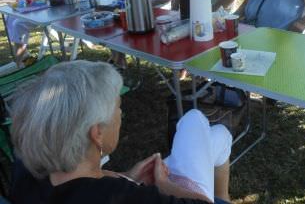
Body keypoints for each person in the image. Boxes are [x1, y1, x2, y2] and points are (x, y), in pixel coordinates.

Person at [10, 60, 232, 204]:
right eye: (118, 108)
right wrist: (164, 185)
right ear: (97, 133)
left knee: (216, 135)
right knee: (195, 121)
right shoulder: (123, 196)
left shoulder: (25, 171)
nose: (120, 116)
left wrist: (125, 176)